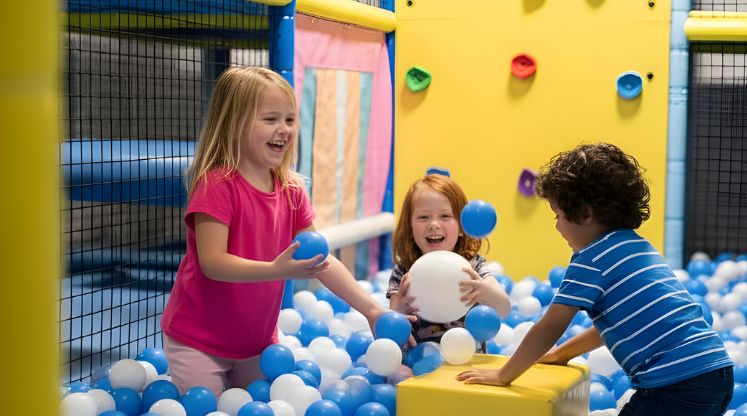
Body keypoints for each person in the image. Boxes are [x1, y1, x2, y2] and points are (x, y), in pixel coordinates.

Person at [457, 142, 733, 416]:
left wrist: (504, 375)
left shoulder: (590, 260)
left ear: (585, 214)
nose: (557, 226)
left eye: (558, 215)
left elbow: (550, 326)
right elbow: (611, 327)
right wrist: (561, 356)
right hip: (716, 378)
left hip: (673, 387)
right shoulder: (635, 246)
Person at [161, 66, 390, 396]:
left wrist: (371, 309)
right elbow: (212, 262)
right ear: (234, 123)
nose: (283, 129)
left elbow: (320, 260)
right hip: (200, 341)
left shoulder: (291, 190)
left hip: (254, 343)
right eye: (270, 119)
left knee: (262, 415)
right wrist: (274, 270)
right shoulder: (217, 186)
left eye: (290, 119)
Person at [387, 174, 511, 347]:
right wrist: (400, 305)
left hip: (467, 360)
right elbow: (392, 325)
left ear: (462, 227)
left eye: (445, 216)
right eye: (423, 217)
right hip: (419, 360)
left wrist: (485, 291)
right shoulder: (404, 271)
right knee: (399, 374)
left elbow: (504, 308)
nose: (434, 224)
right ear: (410, 227)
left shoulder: (473, 266)